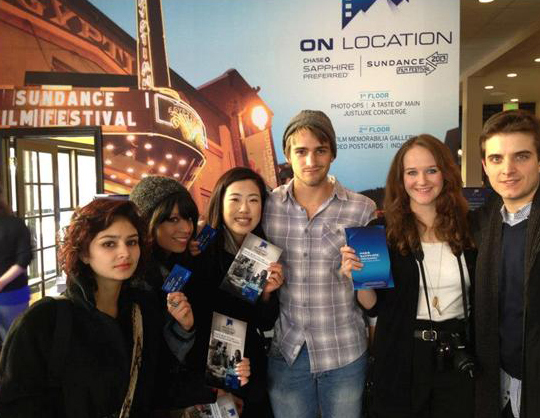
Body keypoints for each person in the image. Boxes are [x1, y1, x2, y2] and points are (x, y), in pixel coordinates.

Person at [341, 134, 476, 418]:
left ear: (446, 173)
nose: (422, 181)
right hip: (401, 356)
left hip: (455, 355)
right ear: (400, 179)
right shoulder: (381, 231)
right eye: (412, 172)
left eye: (431, 170)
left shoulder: (470, 228)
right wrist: (356, 278)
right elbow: (373, 305)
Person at [0, 198, 161, 417]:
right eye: (109, 243)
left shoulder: (141, 312)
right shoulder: (43, 320)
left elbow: (150, 392)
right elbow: (14, 403)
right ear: (84, 253)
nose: (125, 252)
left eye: (132, 242)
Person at [263, 110, 376, 418]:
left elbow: (372, 298)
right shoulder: (268, 206)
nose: (311, 160)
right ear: (287, 154)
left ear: (332, 153)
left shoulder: (362, 208)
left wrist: (356, 277)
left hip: (345, 353)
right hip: (287, 352)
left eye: (320, 150)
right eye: (301, 151)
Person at [472, 110, 540, 418]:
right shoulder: (482, 226)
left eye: (521, 156)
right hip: (498, 384)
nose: (507, 169)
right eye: (496, 159)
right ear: (484, 165)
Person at [129, 176, 251, 410]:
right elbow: (154, 367)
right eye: (172, 219)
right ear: (146, 221)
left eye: (188, 218)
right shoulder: (141, 281)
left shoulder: (180, 262)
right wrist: (212, 391)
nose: (185, 228)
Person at [191, 167, 283, 418]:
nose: (245, 209)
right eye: (235, 199)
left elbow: (261, 321)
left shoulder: (262, 251)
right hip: (210, 374)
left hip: (249, 368)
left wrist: (267, 293)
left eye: (253, 200)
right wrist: (217, 383)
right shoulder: (200, 247)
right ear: (220, 202)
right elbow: (194, 319)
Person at [0, 187, 32, 345]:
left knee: (15, 343)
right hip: (13, 292)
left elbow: (24, 258)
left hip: (12, 293)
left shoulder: (15, 224)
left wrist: (1, 282)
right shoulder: (16, 224)